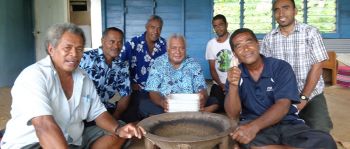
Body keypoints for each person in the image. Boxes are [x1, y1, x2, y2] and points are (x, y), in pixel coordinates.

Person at [0, 23, 145, 149]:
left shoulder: (82, 77)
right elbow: (44, 126)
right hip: (34, 142)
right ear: (51, 49)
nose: (74, 54)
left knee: (118, 132)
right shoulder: (34, 76)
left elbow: (98, 113)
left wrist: (118, 129)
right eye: (67, 48)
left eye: (79, 49)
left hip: (74, 138)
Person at [225, 28, 336, 148]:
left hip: (287, 123)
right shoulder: (235, 75)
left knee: (325, 141)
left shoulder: (280, 67)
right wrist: (233, 85)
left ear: (258, 44)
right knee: (242, 140)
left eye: (249, 42)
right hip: (255, 128)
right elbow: (233, 114)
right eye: (239, 46)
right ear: (234, 53)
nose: (246, 48)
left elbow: (283, 106)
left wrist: (254, 127)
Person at [261, 0, 333, 133]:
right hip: (282, 96)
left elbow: (317, 67)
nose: (281, 13)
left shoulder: (310, 33)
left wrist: (303, 98)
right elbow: (267, 71)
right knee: (274, 132)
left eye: (285, 8)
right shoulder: (269, 39)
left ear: (295, 11)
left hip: (311, 94)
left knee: (320, 130)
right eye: (276, 10)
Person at [140, 34, 219, 117]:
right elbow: (153, 91)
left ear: (185, 50)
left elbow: (201, 88)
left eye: (182, 48)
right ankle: (195, 115)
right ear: (168, 49)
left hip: (189, 104)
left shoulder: (193, 64)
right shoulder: (158, 63)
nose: (178, 52)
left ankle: (169, 117)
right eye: (174, 48)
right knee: (144, 105)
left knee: (214, 101)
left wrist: (202, 99)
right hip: (167, 106)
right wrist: (162, 102)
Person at [119, 15, 167, 121]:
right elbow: (119, 64)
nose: (156, 31)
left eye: (159, 28)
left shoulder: (164, 45)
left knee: (165, 109)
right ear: (146, 27)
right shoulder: (133, 43)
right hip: (139, 90)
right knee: (146, 109)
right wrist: (128, 83)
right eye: (152, 27)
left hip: (158, 90)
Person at [79, 27, 133, 122]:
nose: (116, 46)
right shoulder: (85, 58)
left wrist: (115, 117)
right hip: (83, 111)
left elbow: (125, 94)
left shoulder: (122, 65)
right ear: (102, 41)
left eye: (120, 42)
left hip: (107, 110)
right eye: (112, 41)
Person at [205, 14, 238, 112]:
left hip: (236, 82)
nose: (218, 28)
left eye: (221, 25)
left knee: (237, 108)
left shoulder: (234, 39)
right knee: (215, 106)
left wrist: (231, 84)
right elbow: (212, 68)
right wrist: (222, 85)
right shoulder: (211, 44)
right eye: (215, 26)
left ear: (226, 25)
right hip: (219, 84)